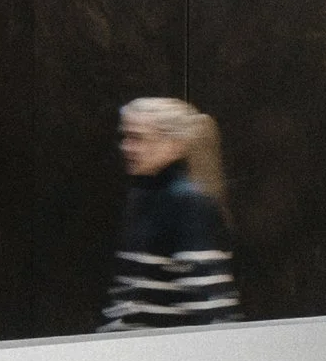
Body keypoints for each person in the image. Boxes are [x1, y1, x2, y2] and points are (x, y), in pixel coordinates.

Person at [101, 96, 241, 327]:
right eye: (125, 137)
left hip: (165, 356)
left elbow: (209, 306)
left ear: (174, 145)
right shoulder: (143, 196)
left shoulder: (189, 203)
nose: (126, 147)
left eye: (138, 138)